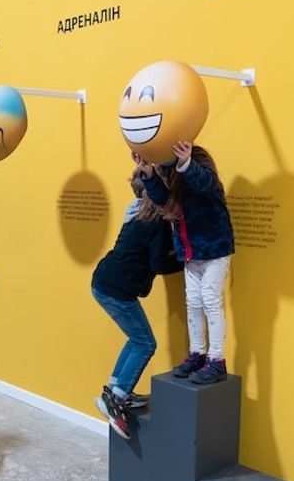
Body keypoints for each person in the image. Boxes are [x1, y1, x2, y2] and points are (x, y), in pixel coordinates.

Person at [93, 171, 183, 439]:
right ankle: (116, 399)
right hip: (117, 290)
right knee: (145, 343)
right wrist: (187, 259)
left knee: (136, 339)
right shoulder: (156, 224)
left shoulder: (134, 215)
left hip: (104, 282)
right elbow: (159, 264)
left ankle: (115, 389)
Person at [139, 141, 235, 385]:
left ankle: (217, 360)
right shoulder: (171, 172)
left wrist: (187, 163)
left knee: (210, 300)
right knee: (193, 302)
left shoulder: (199, 163)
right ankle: (198, 353)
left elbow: (206, 185)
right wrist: (149, 174)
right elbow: (164, 199)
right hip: (192, 253)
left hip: (214, 250)